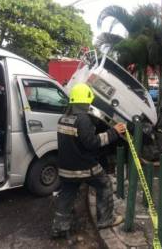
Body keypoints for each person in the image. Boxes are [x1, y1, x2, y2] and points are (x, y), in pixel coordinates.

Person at [51, 83, 126, 238]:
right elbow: (92, 143)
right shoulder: (83, 119)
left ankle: (59, 227)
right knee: (104, 183)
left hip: (65, 168)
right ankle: (105, 219)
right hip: (84, 167)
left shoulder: (63, 118)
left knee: (68, 193)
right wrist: (114, 132)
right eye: (89, 101)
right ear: (85, 101)